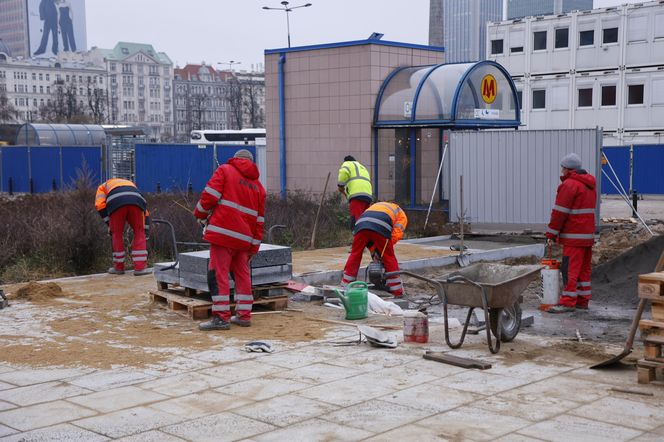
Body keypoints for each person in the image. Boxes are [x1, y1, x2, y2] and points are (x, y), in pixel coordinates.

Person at [195, 149, 266, 331]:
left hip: (222, 234)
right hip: (244, 241)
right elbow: (259, 222)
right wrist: (253, 248)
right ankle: (243, 315)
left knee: (218, 274)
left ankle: (221, 317)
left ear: (236, 158)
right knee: (242, 275)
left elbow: (209, 197)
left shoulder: (225, 171)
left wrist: (200, 214)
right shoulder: (259, 187)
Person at [545, 153, 597, 313]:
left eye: (562, 168)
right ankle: (582, 301)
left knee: (570, 269)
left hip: (573, 237)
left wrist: (551, 234)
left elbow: (560, 213)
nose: (561, 171)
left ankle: (567, 302)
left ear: (568, 169)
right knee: (584, 270)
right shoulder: (589, 184)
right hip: (587, 237)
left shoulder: (569, 185)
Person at [341, 201, 408, 297]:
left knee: (355, 254)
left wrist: (374, 251)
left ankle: (346, 284)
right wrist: (383, 251)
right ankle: (396, 290)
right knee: (389, 257)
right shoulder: (401, 214)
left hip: (361, 225)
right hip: (380, 226)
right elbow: (395, 234)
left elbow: (369, 237)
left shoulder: (376, 206)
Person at [95, 178, 151, 276]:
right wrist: (145, 230)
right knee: (139, 232)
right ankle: (140, 268)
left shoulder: (102, 186)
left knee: (116, 234)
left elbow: (99, 205)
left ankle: (119, 268)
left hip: (115, 202)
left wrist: (110, 224)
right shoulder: (131, 184)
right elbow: (145, 212)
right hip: (137, 201)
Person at [337, 155, 373, 229]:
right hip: (367, 196)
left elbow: (343, 172)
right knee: (364, 219)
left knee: (356, 220)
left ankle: (357, 237)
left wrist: (340, 186)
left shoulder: (347, 164)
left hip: (357, 196)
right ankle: (366, 238)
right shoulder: (362, 167)